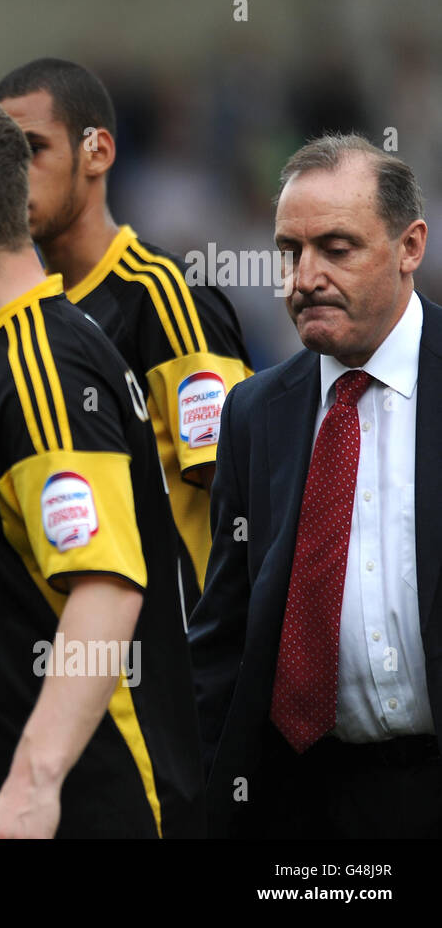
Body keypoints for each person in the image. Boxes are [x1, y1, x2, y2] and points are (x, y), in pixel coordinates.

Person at [0, 93, 204, 838]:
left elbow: (103, 586)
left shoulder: (39, 365)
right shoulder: (11, 355)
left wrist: (32, 785)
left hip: (83, 805)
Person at [189, 134, 441, 838]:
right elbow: (224, 635)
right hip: (303, 802)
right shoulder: (253, 411)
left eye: (336, 249)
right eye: (290, 252)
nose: (303, 279)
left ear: (409, 246)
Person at [0, 58, 252, 607]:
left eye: (33, 149)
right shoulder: (24, 321)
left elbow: (238, 488)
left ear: (97, 152)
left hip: (182, 664)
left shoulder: (164, 294)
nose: (12, 174)